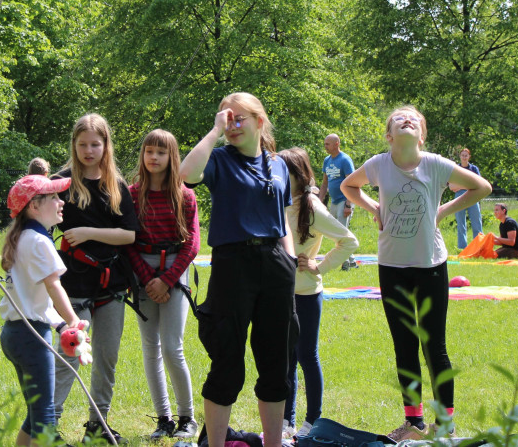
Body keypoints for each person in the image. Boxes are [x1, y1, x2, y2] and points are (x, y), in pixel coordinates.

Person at [340, 106, 490, 440]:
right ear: (389, 137)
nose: (406, 120)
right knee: (404, 346)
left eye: (413, 120)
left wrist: (443, 211)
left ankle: (445, 425)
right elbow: (350, 187)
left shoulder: (436, 164)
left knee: (434, 345)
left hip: (431, 267)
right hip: (392, 269)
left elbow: (482, 187)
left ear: (421, 136)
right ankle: (414, 423)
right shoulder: (379, 165)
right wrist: (373, 207)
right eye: (398, 119)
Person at [179, 92, 295, 447]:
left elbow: (284, 219)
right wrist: (215, 131)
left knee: (276, 362)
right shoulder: (219, 160)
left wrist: (288, 258)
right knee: (227, 360)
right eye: (226, 118)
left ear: (260, 121)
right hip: (233, 265)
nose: (232, 125)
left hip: (275, 263)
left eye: (239, 118)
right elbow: (186, 173)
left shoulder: (279, 165)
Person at [51, 114, 139, 444]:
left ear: (106, 146)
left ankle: (97, 424)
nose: (89, 150)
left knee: (107, 357)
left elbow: (129, 234)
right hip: (73, 283)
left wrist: (89, 232)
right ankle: (48, 424)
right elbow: (41, 223)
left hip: (111, 283)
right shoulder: (61, 183)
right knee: (70, 353)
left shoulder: (116, 186)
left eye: (95, 144)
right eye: (83, 144)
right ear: (74, 145)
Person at [125, 129, 201, 440]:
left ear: (172, 157)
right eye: (149, 151)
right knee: (150, 349)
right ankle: (163, 418)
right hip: (142, 271)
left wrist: (167, 280)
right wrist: (147, 279)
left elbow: (193, 243)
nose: (154, 157)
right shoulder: (131, 194)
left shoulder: (184, 194)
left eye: (161, 152)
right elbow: (128, 243)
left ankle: (187, 417)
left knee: (172, 347)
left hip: (175, 273)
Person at [278, 147, 358, 439]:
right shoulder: (277, 201)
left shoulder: (312, 207)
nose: (277, 177)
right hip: (280, 294)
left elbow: (349, 241)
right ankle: (287, 420)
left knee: (306, 356)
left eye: (283, 172)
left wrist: (318, 265)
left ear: (298, 175)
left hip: (307, 294)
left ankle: (313, 421)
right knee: (285, 358)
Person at [0, 174, 83, 447]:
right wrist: (72, 320)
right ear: (34, 206)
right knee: (45, 417)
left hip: (14, 334)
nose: (62, 202)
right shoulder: (39, 241)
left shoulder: (22, 237)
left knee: (36, 414)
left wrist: (59, 326)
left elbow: (34, 299)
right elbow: (53, 286)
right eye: (54, 197)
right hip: (33, 337)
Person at [318, 134, 357, 270]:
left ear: (337, 144)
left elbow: (352, 183)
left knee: (342, 232)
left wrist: (348, 205)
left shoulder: (345, 160)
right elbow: (324, 184)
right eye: (325, 143)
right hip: (334, 201)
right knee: (335, 230)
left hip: (344, 201)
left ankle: (345, 263)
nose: (325, 146)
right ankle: (351, 260)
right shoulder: (327, 160)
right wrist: (318, 201)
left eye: (328, 144)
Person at [451, 148, 483, 250]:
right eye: (462, 155)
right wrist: (468, 185)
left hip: (473, 196)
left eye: (466, 155)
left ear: (469, 157)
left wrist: (461, 185)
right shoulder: (456, 169)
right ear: (460, 156)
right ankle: (462, 248)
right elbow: (452, 186)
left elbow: (479, 184)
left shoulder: (474, 169)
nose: (464, 157)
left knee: (476, 222)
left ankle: (478, 247)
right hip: (459, 196)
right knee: (461, 223)